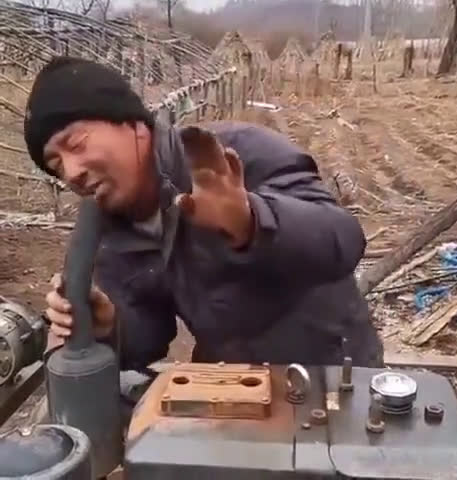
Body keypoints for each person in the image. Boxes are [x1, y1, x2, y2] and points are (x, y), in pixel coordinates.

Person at [24, 56, 383, 372]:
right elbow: (150, 332)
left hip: (332, 374)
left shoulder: (228, 154)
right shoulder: (112, 227)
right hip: (233, 385)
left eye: (76, 144)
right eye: (56, 166)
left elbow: (343, 238)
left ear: (133, 124)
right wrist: (110, 324)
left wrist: (251, 222)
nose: (71, 172)